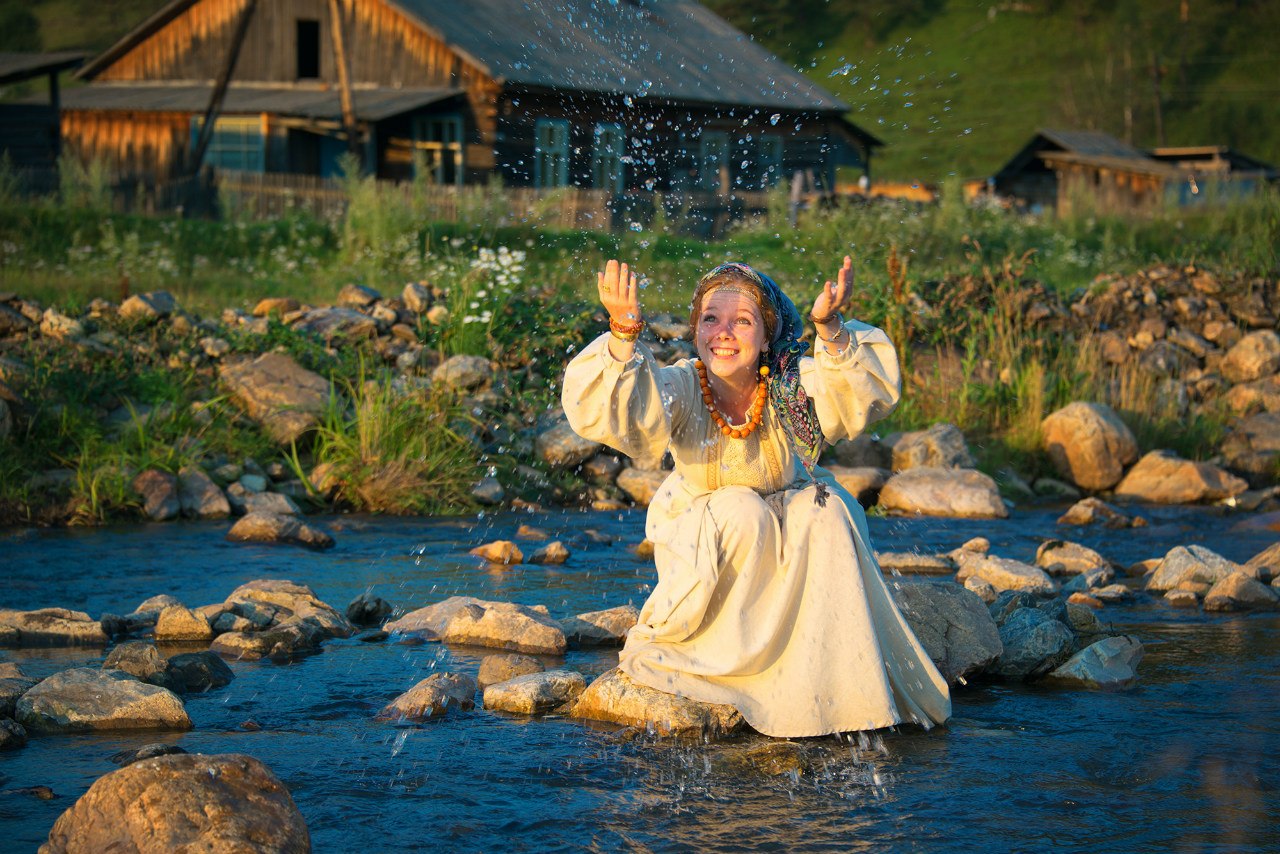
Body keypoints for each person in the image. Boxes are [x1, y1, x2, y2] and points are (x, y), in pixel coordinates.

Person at [561, 258, 950, 738]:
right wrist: (623, 332)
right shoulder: (683, 384)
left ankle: (836, 687)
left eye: (741, 322)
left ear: (766, 335)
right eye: (710, 319)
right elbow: (625, 414)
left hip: (789, 535)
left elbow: (852, 397)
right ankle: (726, 667)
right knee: (742, 508)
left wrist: (829, 326)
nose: (723, 333)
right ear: (696, 331)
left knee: (822, 508)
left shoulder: (789, 384)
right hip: (713, 538)